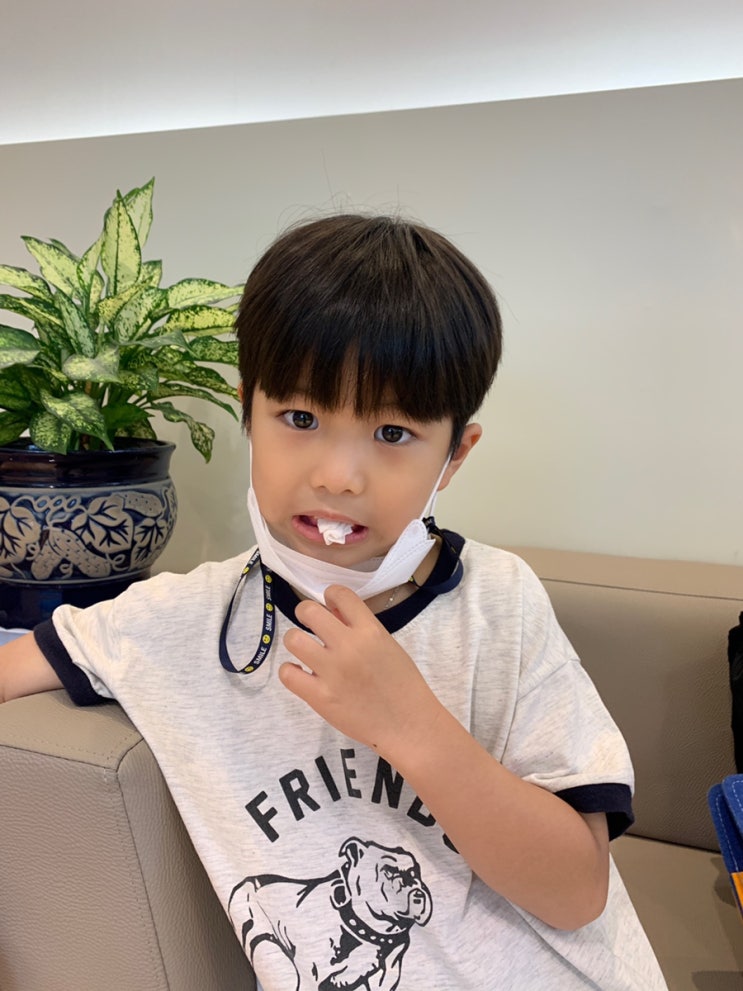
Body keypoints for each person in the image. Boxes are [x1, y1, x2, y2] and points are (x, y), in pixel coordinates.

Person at [0, 214, 667, 990]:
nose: (338, 476)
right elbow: (27, 661)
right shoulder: (184, 617)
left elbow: (577, 891)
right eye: (300, 418)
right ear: (247, 410)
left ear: (455, 454)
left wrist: (410, 725)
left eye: (392, 432)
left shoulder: (500, 605)